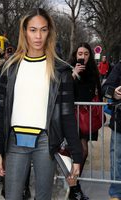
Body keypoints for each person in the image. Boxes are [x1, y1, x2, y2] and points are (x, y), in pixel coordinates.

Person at [0, 8, 82, 200]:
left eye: (43, 29)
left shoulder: (60, 70)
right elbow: (1, 113)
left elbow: (67, 115)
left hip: (45, 142)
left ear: (49, 32)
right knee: (12, 196)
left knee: (43, 197)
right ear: (24, 32)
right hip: (14, 141)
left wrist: (77, 154)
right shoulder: (10, 68)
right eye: (33, 30)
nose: (38, 36)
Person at [69, 42, 102, 200]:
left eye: (86, 54)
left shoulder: (93, 72)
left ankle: (74, 185)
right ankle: (74, 187)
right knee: (81, 151)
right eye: (80, 54)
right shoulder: (69, 70)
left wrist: (100, 111)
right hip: (72, 118)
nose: (82, 57)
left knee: (81, 152)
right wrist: (74, 74)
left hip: (87, 118)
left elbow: (98, 92)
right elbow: (65, 91)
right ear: (76, 55)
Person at [102, 61, 121, 200]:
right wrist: (113, 93)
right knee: (117, 159)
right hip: (120, 123)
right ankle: (115, 193)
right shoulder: (120, 66)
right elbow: (105, 88)